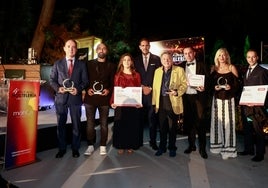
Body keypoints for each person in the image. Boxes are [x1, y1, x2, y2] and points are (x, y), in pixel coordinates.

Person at [49, 39, 89, 158]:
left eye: (73, 47)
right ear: (64, 48)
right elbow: (52, 80)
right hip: (61, 99)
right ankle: (62, 148)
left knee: (76, 124)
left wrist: (79, 89)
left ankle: (75, 148)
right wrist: (58, 88)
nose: (71, 49)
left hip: (75, 98)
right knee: (61, 125)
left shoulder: (81, 64)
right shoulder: (57, 64)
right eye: (69, 46)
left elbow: (86, 81)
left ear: (76, 49)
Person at [83, 42, 116, 156]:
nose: (101, 50)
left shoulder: (112, 66)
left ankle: (102, 145)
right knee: (90, 124)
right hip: (90, 98)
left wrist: (109, 90)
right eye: (99, 48)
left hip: (104, 99)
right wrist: (87, 89)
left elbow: (113, 82)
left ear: (106, 51)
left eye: (104, 48)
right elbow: (84, 79)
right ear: (96, 51)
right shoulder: (88, 64)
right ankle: (90, 145)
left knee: (104, 123)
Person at [152, 51, 187, 157]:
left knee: (172, 128)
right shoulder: (157, 71)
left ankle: (172, 147)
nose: (166, 61)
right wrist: (154, 103)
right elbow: (155, 88)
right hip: (161, 102)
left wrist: (177, 92)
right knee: (162, 127)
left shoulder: (179, 70)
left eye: (168, 59)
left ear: (172, 60)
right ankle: (162, 147)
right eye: (164, 59)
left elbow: (184, 84)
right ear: (161, 61)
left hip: (173, 101)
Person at [209, 47, 240, 160]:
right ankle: (216, 146)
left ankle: (229, 149)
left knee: (229, 124)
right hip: (217, 100)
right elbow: (209, 85)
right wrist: (215, 88)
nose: (222, 57)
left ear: (227, 56)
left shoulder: (232, 68)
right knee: (216, 123)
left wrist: (230, 87)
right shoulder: (213, 68)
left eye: (224, 55)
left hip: (229, 100)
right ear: (217, 57)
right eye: (219, 55)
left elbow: (238, 86)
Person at [238, 49, 268, 162]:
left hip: (257, 107)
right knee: (247, 128)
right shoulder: (247, 70)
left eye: (253, 57)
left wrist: (259, 101)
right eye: (248, 57)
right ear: (246, 58)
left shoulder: (262, 71)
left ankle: (260, 154)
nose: (251, 59)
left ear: (257, 58)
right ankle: (249, 149)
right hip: (246, 105)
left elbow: (266, 89)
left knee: (258, 131)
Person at [180, 46, 210, 159]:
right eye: (185, 53)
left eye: (190, 53)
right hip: (187, 98)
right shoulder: (181, 67)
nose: (188, 55)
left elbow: (209, 81)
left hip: (199, 98)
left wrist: (204, 87)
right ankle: (191, 145)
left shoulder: (203, 65)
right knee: (189, 123)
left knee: (201, 123)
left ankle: (202, 149)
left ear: (194, 53)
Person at [110, 53, 143, 154]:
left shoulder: (137, 75)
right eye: (124, 60)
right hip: (120, 105)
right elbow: (115, 90)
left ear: (132, 62)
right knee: (120, 125)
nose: (127, 62)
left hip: (133, 105)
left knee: (131, 125)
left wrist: (139, 102)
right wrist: (112, 102)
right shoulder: (117, 75)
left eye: (129, 60)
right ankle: (120, 145)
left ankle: (130, 145)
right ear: (121, 62)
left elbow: (139, 90)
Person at [134, 38, 161, 150]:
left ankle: (153, 141)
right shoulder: (135, 60)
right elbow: (133, 76)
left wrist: (150, 88)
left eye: (146, 45)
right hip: (139, 95)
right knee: (139, 120)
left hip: (152, 94)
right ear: (140, 47)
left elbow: (159, 76)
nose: (145, 47)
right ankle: (138, 142)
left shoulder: (157, 59)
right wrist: (141, 87)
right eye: (142, 45)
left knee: (152, 120)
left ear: (149, 46)